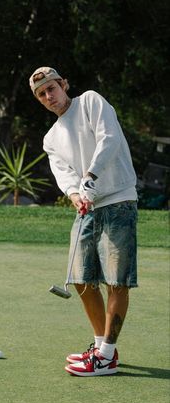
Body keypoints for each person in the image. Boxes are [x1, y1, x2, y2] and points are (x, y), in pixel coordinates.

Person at [29, 66, 138, 377]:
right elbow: (64, 173)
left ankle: (106, 356)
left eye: (51, 88)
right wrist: (76, 193)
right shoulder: (51, 138)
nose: (48, 96)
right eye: (41, 94)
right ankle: (100, 345)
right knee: (80, 278)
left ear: (64, 84)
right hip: (87, 207)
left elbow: (110, 138)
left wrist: (91, 175)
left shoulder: (91, 102)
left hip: (118, 200)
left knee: (116, 280)